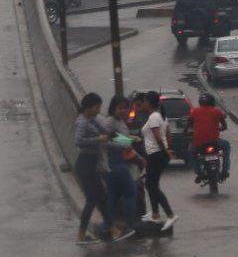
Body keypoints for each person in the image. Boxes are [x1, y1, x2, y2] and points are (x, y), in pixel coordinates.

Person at [73, 92, 121, 243]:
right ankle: (81, 235)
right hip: (85, 163)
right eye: (97, 107)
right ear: (90, 107)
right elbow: (78, 141)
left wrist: (125, 140)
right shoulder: (82, 122)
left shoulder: (92, 120)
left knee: (102, 197)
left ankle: (112, 230)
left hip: (92, 163)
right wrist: (98, 139)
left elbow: (107, 134)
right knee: (92, 199)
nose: (99, 110)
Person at [99, 96, 139, 239]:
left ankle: (107, 226)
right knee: (130, 192)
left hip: (117, 161)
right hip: (114, 161)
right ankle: (129, 226)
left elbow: (117, 137)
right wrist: (125, 144)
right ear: (113, 108)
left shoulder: (119, 122)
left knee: (113, 195)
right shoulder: (109, 122)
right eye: (120, 108)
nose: (123, 111)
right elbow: (105, 141)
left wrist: (130, 139)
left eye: (125, 108)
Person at [138, 91, 177, 230]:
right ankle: (155, 214)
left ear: (149, 102)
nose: (142, 103)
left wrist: (166, 151)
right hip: (156, 155)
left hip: (157, 154)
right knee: (151, 184)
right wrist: (169, 149)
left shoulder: (154, 117)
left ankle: (170, 215)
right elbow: (168, 135)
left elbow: (158, 138)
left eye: (144, 101)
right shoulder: (160, 116)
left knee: (152, 185)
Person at [187, 92, 231, 182]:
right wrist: (219, 129)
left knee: (191, 152)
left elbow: (188, 126)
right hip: (215, 142)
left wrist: (187, 132)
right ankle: (225, 170)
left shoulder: (194, 112)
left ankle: (199, 172)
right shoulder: (217, 111)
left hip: (199, 143)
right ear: (212, 102)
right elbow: (225, 126)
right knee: (227, 146)